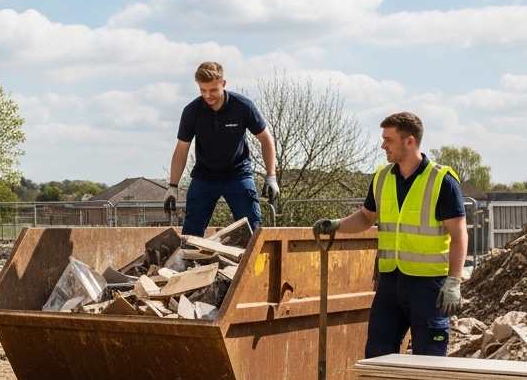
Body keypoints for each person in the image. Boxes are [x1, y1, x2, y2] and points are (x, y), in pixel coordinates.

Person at [312, 112, 467, 357]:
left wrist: (454, 282)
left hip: (428, 287)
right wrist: (336, 225)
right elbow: (366, 217)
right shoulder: (382, 177)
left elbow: (459, 236)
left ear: (410, 141)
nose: (383, 145)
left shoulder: (441, 181)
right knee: (377, 353)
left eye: (389, 140)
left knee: (429, 356)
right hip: (390, 283)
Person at [163, 62, 280, 236]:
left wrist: (271, 176)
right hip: (204, 177)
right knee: (190, 233)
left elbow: (266, 140)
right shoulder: (191, 111)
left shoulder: (242, 106)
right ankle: (191, 262)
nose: (208, 95)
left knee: (252, 229)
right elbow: (182, 149)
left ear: (223, 84)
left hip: (238, 175)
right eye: (203, 90)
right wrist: (172, 186)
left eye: (213, 90)